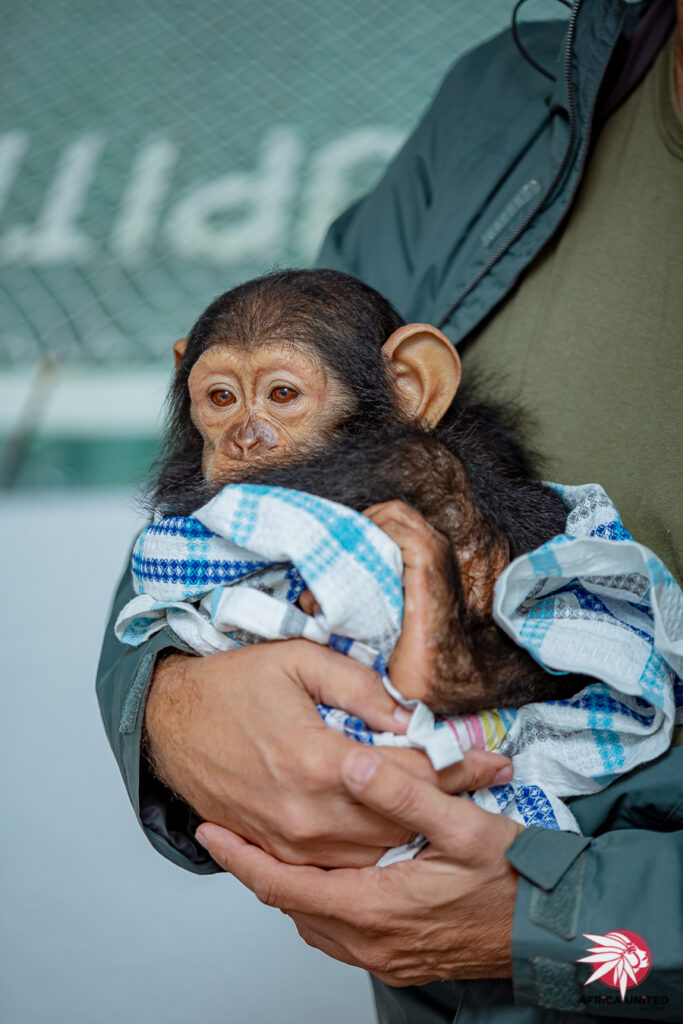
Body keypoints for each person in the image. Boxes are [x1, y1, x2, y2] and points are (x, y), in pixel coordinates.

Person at [97, 0, 683, 1020]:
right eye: (218, 400)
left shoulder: (424, 467)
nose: (244, 432)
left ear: (414, 383)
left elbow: (595, 943)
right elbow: (181, 556)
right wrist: (167, 704)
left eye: (279, 396)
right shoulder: (513, 90)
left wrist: (568, 930)